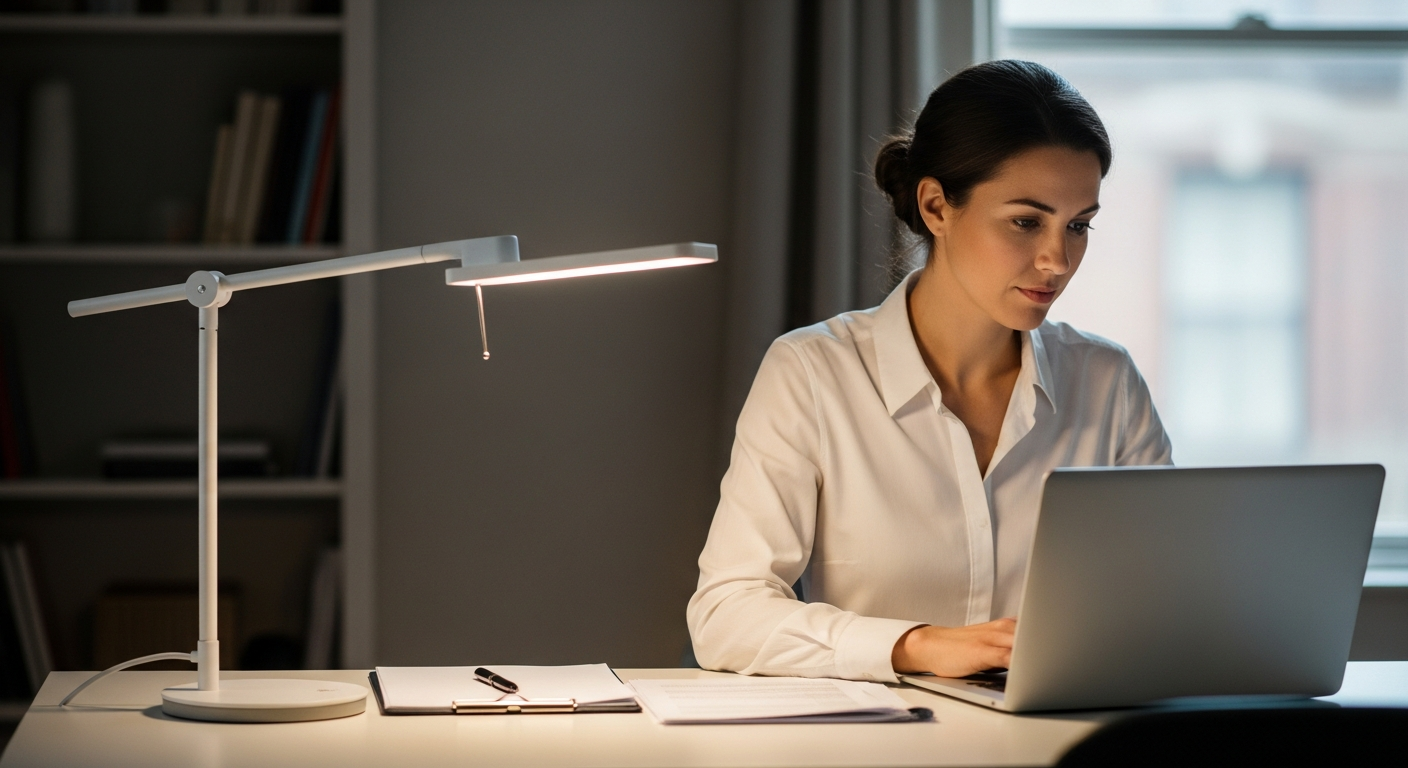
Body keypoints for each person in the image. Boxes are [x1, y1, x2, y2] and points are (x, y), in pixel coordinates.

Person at [687, 60, 1172, 684]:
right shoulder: (813, 372)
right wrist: (915, 646)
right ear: (937, 206)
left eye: (1078, 226)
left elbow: (1165, 599)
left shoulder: (1107, 382)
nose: (1057, 259)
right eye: (1026, 221)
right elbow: (726, 615)